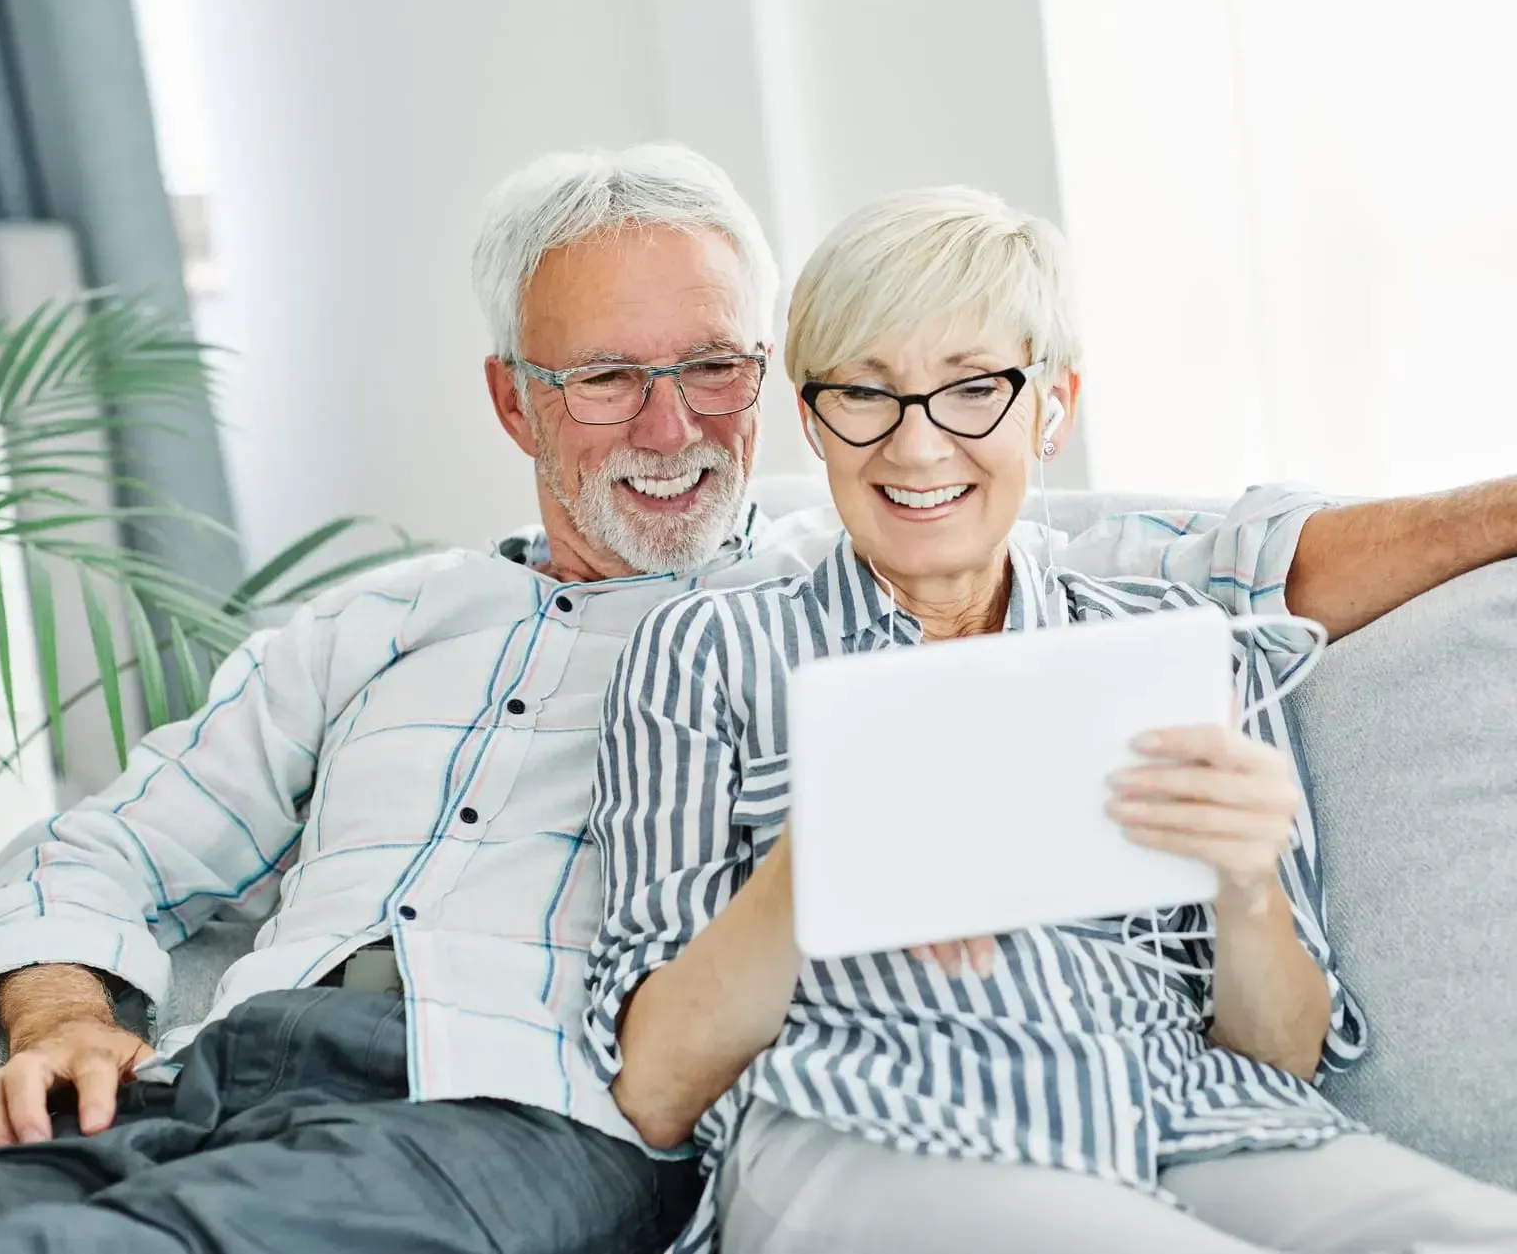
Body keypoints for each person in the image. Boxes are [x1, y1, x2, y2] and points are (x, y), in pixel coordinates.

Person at [0, 146, 1513, 1253]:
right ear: (512, 400)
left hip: (509, 1100)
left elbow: (1227, 552)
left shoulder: (886, 547)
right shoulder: (368, 629)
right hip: (242, 1065)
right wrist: (64, 1015)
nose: (669, 424)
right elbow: (101, 847)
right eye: (605, 378)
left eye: (716, 367)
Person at [582, 185, 1517, 1253]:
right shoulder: (706, 653)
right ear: (812, 419)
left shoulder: (1170, 640)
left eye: (972, 387)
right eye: (866, 394)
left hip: (1195, 1117)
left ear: (1052, 408)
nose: (918, 445)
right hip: (872, 1126)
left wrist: (1247, 880)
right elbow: (654, 1088)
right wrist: (817, 863)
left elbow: (1280, 1056)